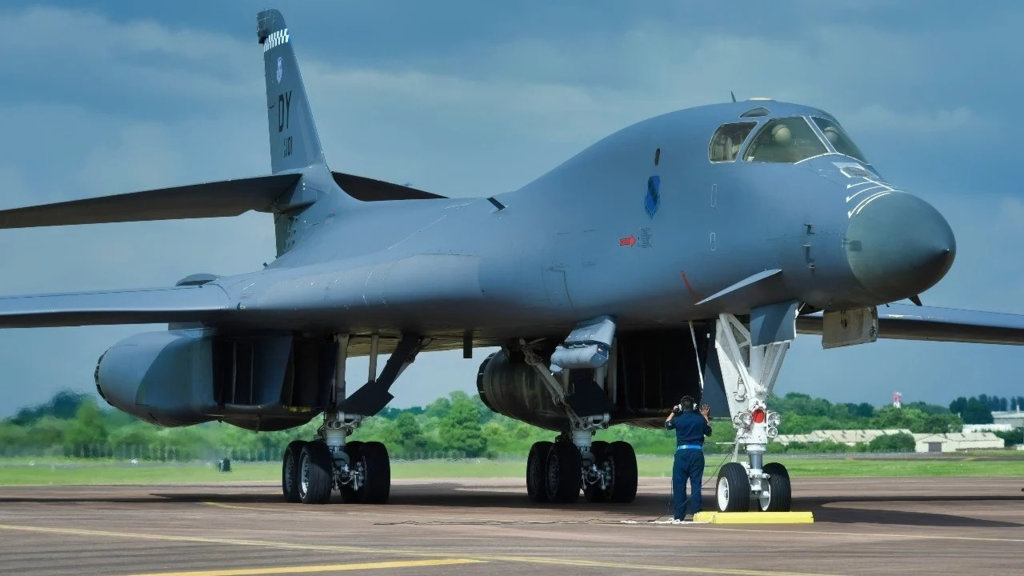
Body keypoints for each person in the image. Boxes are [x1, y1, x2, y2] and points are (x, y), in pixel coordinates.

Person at [665, 395, 712, 521]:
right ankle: (697, 513)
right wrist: (705, 416)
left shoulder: (678, 419)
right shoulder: (700, 419)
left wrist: (673, 412)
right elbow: (709, 431)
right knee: (696, 484)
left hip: (682, 454)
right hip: (697, 453)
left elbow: (667, 424)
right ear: (694, 406)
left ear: (681, 407)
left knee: (679, 485)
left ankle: (679, 516)